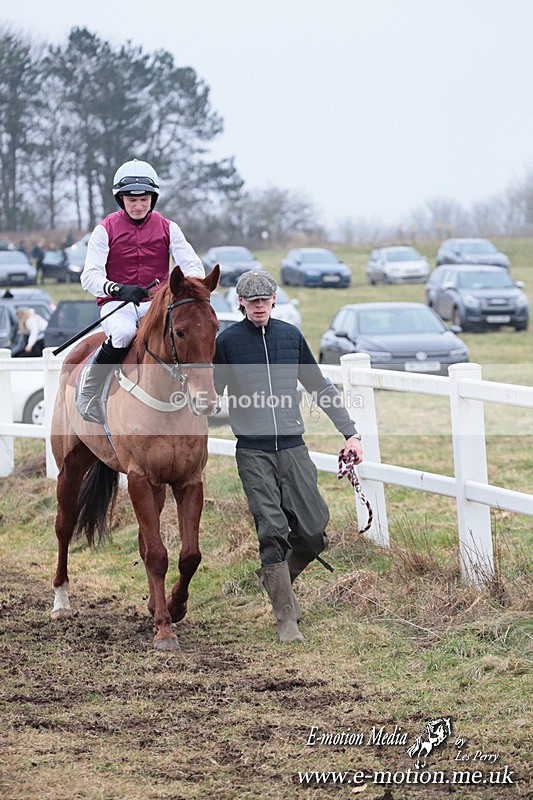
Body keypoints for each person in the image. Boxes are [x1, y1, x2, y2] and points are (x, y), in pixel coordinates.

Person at [214, 270, 363, 643]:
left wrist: (351, 433)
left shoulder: (290, 336)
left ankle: (274, 578)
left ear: (275, 300)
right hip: (253, 451)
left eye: (265, 300)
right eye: (253, 301)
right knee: (273, 530)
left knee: (314, 532)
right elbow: (209, 392)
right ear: (241, 303)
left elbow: (318, 385)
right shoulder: (227, 342)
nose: (260, 306)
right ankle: (286, 619)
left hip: (294, 448)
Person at [78, 158, 205, 424]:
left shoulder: (169, 227)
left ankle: (195, 392)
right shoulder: (104, 229)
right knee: (124, 334)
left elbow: (193, 264)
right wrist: (119, 289)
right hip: (118, 304)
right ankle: (88, 392)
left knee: (183, 333)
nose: (138, 206)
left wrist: (186, 284)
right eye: (131, 200)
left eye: (144, 199)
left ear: (153, 198)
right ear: (121, 199)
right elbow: (89, 277)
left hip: (156, 303)